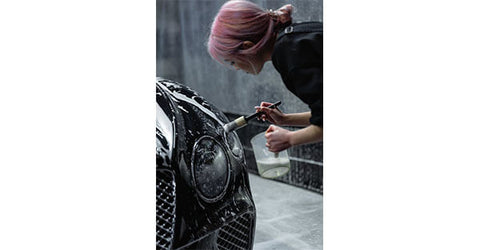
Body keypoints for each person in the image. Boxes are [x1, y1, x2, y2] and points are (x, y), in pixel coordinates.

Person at [208, 0, 322, 153]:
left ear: (247, 47)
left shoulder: (289, 54)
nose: (236, 68)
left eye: (233, 61)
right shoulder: (293, 38)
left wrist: (289, 139)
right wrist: (285, 120)